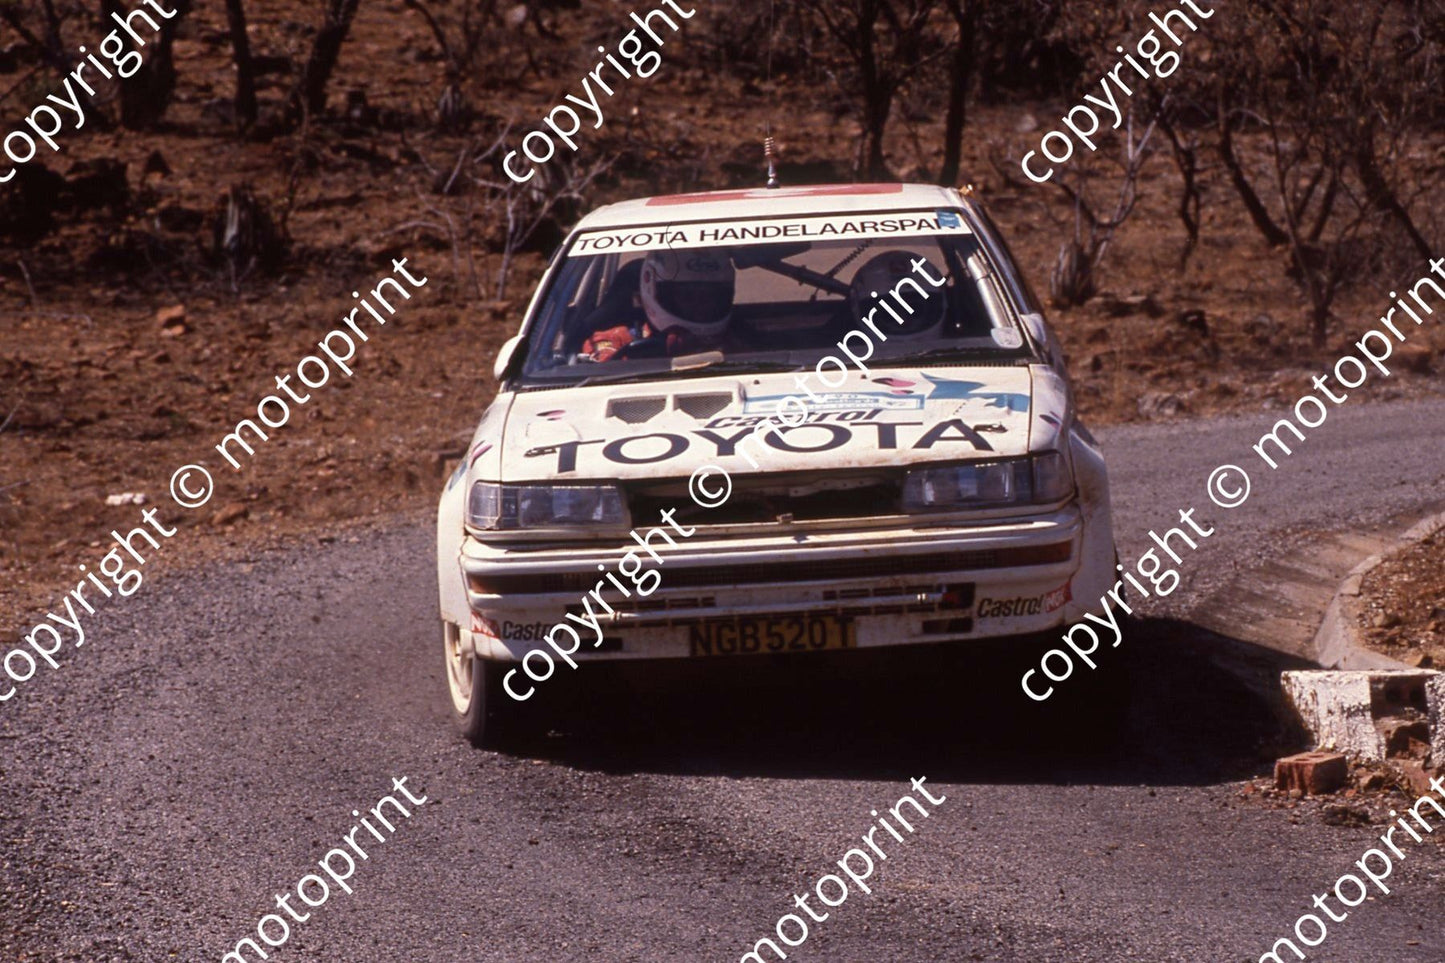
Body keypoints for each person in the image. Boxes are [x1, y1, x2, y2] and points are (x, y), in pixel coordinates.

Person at [580, 250, 736, 361]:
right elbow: (601, 370)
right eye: (687, 296)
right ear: (651, 290)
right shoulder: (616, 339)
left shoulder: (738, 338)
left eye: (711, 296)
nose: (700, 306)